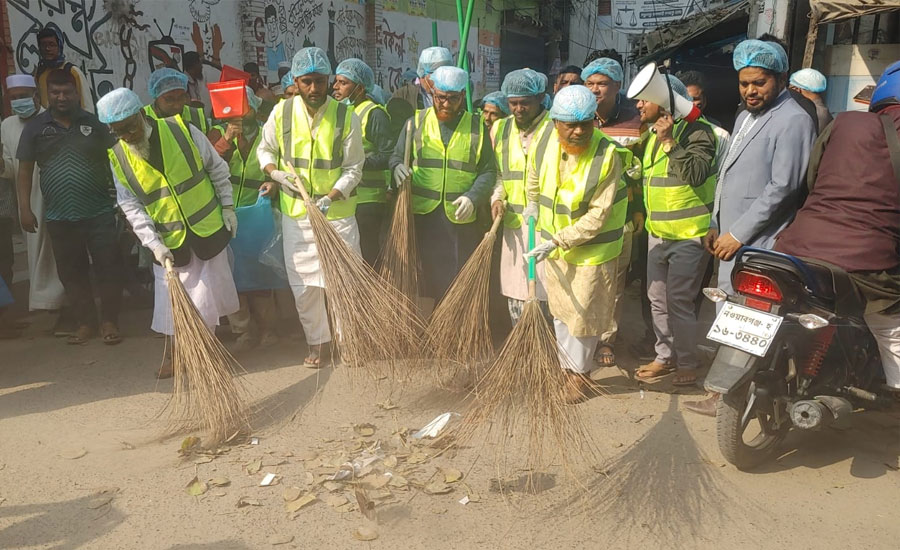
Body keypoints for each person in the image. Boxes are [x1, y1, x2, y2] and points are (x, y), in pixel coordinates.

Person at [686, 39, 816, 416]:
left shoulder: (793, 120)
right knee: (731, 315)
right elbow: (728, 175)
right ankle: (724, 392)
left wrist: (738, 233)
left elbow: (783, 188)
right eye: (744, 84)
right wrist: (715, 222)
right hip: (730, 238)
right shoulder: (745, 116)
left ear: (781, 78)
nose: (750, 91)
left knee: (751, 318)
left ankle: (734, 397)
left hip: (760, 243)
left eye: (759, 83)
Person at [774, 61, 900, 397]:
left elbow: (812, 177)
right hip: (866, 256)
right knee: (889, 319)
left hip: (796, 242)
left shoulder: (844, 121)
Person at [97, 88, 239, 377]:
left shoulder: (182, 130)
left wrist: (227, 206)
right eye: (118, 131)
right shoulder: (118, 157)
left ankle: (205, 355)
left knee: (205, 301)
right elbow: (131, 205)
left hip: (208, 231)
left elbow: (217, 168)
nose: (127, 135)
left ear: (141, 114)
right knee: (173, 306)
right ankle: (183, 355)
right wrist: (153, 244)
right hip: (168, 243)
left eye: (130, 127)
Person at [523, 84, 633, 402]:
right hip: (555, 247)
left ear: (594, 121)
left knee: (584, 315)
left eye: (585, 123)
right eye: (570, 124)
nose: (578, 131)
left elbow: (598, 217)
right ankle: (565, 368)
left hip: (593, 251)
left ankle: (580, 376)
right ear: (556, 122)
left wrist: (558, 240)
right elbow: (533, 174)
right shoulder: (544, 140)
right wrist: (531, 202)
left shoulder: (607, 156)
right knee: (560, 311)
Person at [257, 47, 364, 367]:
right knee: (304, 286)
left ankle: (349, 341)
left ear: (329, 80)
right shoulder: (281, 112)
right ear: (296, 81)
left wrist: (332, 196)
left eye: (320, 81)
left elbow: (354, 167)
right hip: (297, 215)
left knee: (345, 281)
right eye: (307, 82)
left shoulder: (346, 116)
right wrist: (274, 173)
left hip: (338, 215)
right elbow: (265, 149)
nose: (314, 89)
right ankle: (319, 342)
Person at [16, 69, 125, 345]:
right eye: (55, 92)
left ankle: (110, 321)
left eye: (67, 92)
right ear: (46, 95)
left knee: (108, 268)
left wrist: (125, 202)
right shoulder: (35, 129)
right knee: (71, 272)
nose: (61, 97)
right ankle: (85, 322)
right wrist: (24, 209)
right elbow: (25, 171)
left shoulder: (96, 124)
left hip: (99, 211)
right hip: (59, 216)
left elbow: (119, 163)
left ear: (77, 93)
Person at [632, 75, 718, 388]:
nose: (638, 105)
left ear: (664, 102)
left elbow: (695, 174)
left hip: (688, 234)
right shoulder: (650, 133)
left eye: (644, 99)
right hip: (658, 234)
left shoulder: (699, 131)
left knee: (679, 300)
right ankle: (664, 356)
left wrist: (669, 142)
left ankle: (687, 361)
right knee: (657, 299)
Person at [390, 66, 496, 305]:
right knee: (423, 274)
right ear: (432, 94)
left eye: (453, 99)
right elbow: (397, 157)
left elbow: (488, 171)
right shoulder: (415, 122)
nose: (446, 104)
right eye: (440, 98)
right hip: (421, 214)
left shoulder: (476, 127)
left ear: (462, 96)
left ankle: (450, 327)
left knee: (455, 276)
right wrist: (396, 168)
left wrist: (473, 197)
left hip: (459, 218)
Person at [580, 57, 644, 366]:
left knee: (613, 282)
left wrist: (639, 210)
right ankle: (581, 336)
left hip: (621, 217)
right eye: (589, 83)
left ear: (617, 86)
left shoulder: (635, 120)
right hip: (581, 217)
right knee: (583, 280)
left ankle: (606, 339)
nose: (595, 90)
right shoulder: (578, 119)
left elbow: (645, 172)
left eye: (602, 84)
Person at [207, 87, 278, 352]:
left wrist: (274, 183)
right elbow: (208, 165)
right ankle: (242, 331)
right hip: (225, 213)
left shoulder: (266, 131)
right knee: (232, 274)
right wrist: (226, 140)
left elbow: (278, 162)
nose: (239, 113)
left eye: (244, 106)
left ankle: (268, 328)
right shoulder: (215, 133)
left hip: (258, 212)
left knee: (261, 272)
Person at [0, 74, 66, 321]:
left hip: (55, 194)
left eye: (24, 97)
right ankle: (49, 305)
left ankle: (64, 307)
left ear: (36, 96)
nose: (19, 102)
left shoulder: (51, 119)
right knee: (37, 253)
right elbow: (10, 167)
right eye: (14, 98)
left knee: (59, 252)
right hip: (26, 197)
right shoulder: (6, 125)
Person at [490, 69, 552, 325]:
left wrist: (538, 204)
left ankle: (549, 341)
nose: (518, 109)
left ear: (540, 98)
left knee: (547, 287)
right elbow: (499, 173)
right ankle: (522, 338)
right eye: (513, 103)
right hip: (515, 223)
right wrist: (496, 197)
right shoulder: (499, 129)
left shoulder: (554, 127)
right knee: (517, 286)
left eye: (524, 103)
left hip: (548, 223)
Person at [332, 58, 394, 266]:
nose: (336, 87)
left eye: (343, 82)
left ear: (359, 87)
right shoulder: (344, 112)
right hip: (347, 196)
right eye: (336, 81)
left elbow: (388, 153)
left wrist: (356, 164)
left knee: (367, 252)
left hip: (368, 198)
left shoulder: (374, 114)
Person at [387, 47, 453, 137]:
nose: (443, 80)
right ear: (423, 73)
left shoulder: (455, 96)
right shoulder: (404, 96)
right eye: (438, 75)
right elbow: (397, 135)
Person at [32, 27, 93, 112]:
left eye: (52, 45)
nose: (47, 49)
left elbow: (87, 105)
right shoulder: (39, 73)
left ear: (59, 46)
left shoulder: (72, 71)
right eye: (43, 45)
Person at [143, 67, 210, 133]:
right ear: (156, 97)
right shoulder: (141, 118)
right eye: (169, 99)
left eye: (181, 97)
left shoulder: (197, 116)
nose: (177, 105)